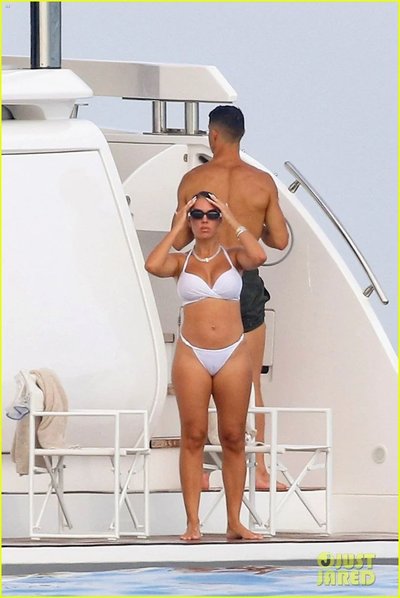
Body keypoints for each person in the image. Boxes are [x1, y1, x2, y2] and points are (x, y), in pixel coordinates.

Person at [172, 105, 289, 491]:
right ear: (241, 135)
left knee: (201, 382)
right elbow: (280, 240)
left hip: (204, 282)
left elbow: (182, 238)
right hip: (244, 280)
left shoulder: (194, 180)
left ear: (214, 135)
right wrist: (251, 227)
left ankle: (204, 469)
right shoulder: (262, 182)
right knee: (250, 380)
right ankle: (260, 470)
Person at [145, 191, 266, 541]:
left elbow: (259, 255)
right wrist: (177, 225)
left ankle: (234, 522)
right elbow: (152, 264)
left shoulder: (235, 256)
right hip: (192, 354)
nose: (204, 221)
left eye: (211, 215)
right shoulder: (180, 262)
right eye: (197, 215)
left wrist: (231, 216)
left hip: (232, 353)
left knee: (233, 437)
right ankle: (193, 523)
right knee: (193, 435)